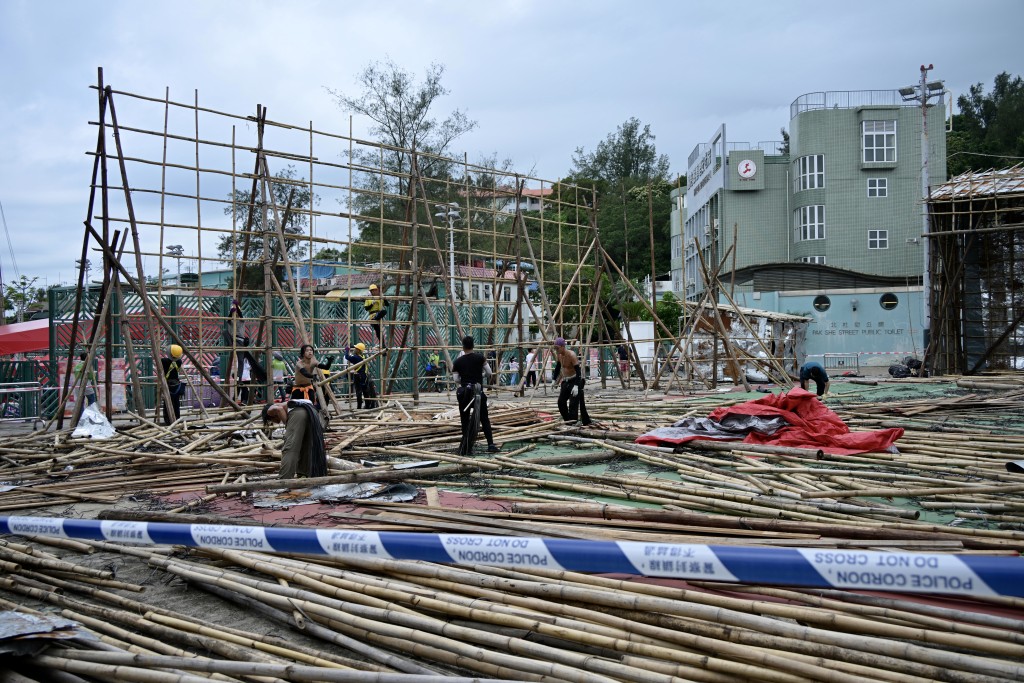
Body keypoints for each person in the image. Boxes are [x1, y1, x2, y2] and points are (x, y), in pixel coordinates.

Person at [451, 335, 500, 455]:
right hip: (478, 393)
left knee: (465, 420)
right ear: (473, 345)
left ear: (463, 346)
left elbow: (456, 379)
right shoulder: (480, 358)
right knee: (484, 418)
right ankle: (491, 445)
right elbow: (489, 372)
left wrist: (465, 380)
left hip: (464, 394)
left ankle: (466, 446)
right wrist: (480, 376)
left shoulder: (458, 361)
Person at [261, 401, 328, 479]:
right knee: (306, 446)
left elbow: (279, 409)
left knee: (290, 449)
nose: (274, 422)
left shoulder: (270, 410)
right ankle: (303, 474)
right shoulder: (288, 404)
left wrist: (287, 424)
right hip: (312, 413)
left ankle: (285, 478)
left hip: (299, 413)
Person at [554, 337, 591, 426]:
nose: (556, 350)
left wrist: (576, 386)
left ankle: (573, 422)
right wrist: (553, 379)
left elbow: (578, 372)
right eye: (555, 348)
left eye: (557, 348)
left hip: (576, 380)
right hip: (566, 380)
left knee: (573, 403)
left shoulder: (571, 355)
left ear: (563, 346)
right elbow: (558, 367)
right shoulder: (559, 355)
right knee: (561, 402)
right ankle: (568, 421)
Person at [343, 343, 376, 409]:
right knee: (365, 391)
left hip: (358, 376)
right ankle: (367, 405)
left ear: (358, 350)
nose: (354, 349)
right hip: (364, 375)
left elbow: (347, 357)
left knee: (358, 391)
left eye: (356, 348)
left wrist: (347, 350)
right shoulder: (363, 357)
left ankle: (359, 406)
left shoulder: (356, 357)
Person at [161, 344, 185, 425]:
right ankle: (177, 418)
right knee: (176, 403)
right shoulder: (179, 361)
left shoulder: (164, 361)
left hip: (167, 384)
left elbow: (159, 360)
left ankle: (168, 420)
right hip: (176, 384)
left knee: (167, 403)